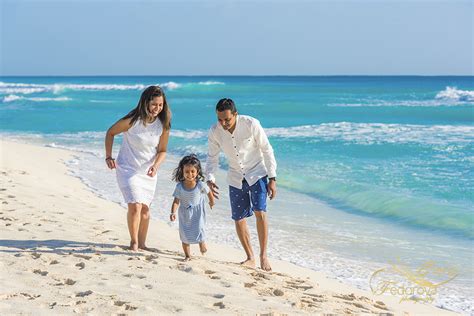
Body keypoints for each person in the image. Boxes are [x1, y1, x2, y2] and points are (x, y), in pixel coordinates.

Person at [205, 98, 277, 271]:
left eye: (227, 119)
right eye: (220, 119)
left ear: (235, 114)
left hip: (257, 172)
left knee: (260, 211)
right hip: (235, 176)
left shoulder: (251, 124)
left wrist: (272, 178)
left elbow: (267, 149)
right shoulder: (215, 131)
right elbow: (212, 157)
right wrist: (210, 178)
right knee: (238, 217)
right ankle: (250, 257)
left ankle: (263, 256)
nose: (223, 123)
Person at [105, 85, 171, 251]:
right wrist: (108, 156)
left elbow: (162, 151)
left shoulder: (162, 125)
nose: (157, 108)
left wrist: (156, 166)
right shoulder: (133, 120)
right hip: (128, 168)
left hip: (148, 172)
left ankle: (142, 244)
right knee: (135, 205)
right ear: (146, 103)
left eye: (161, 105)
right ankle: (133, 242)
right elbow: (110, 133)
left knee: (145, 211)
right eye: (154, 104)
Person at [170, 154, 215, 261]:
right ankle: (187, 255)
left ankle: (201, 241)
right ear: (182, 171)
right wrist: (172, 213)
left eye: (192, 172)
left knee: (199, 228)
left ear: (197, 171)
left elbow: (209, 192)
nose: (190, 174)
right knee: (184, 234)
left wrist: (211, 202)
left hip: (197, 212)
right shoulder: (180, 187)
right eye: (187, 172)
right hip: (184, 213)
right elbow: (176, 201)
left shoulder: (200, 185)